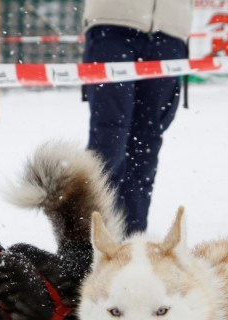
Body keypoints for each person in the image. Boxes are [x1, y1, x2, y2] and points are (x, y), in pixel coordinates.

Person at [81, 0, 191, 235]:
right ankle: (90, 242)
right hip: (113, 22)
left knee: (146, 144)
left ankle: (132, 243)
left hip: (170, 31)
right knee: (108, 141)